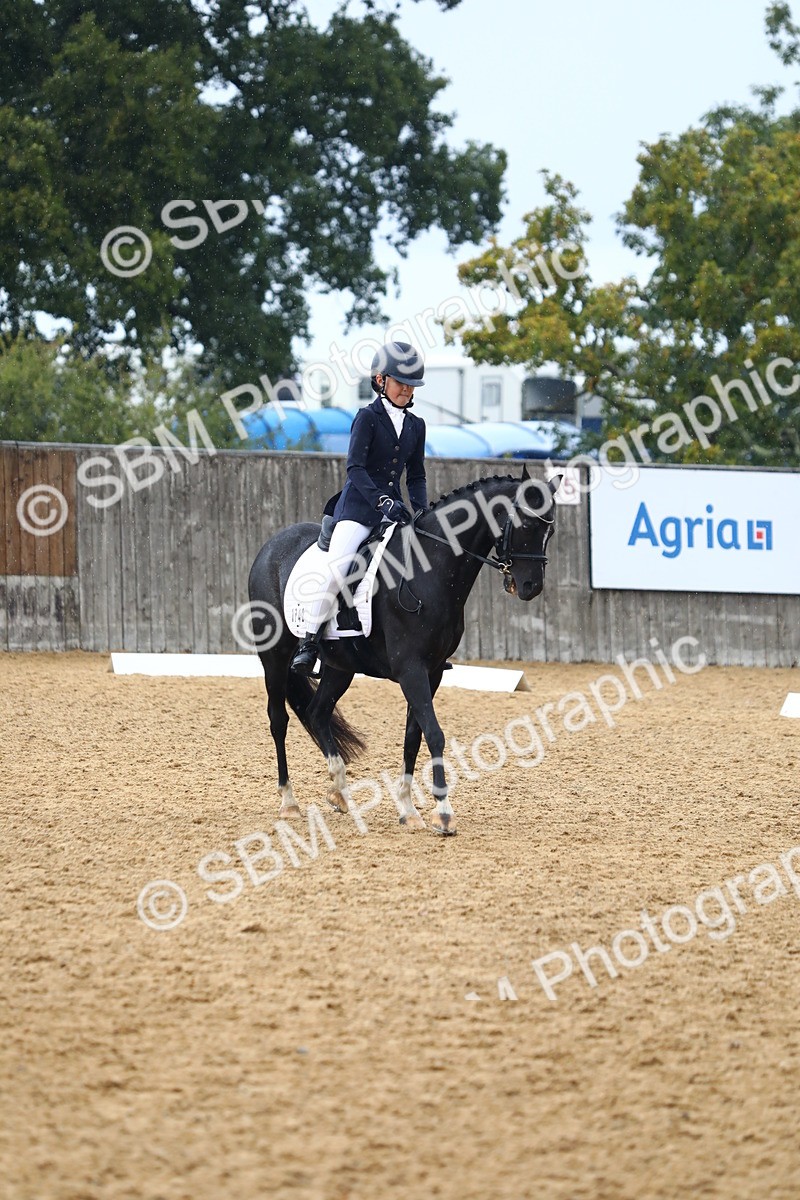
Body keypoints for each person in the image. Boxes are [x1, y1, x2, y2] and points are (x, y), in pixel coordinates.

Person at [290, 340, 429, 675]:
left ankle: (425, 645)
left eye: (411, 386)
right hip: (358, 510)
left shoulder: (416, 425)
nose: (406, 391)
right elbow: (355, 468)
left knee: (422, 566)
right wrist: (381, 501)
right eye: (400, 383)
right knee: (338, 567)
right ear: (381, 380)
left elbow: (417, 476)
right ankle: (310, 643)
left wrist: (423, 513)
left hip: (394, 513)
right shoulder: (367, 417)